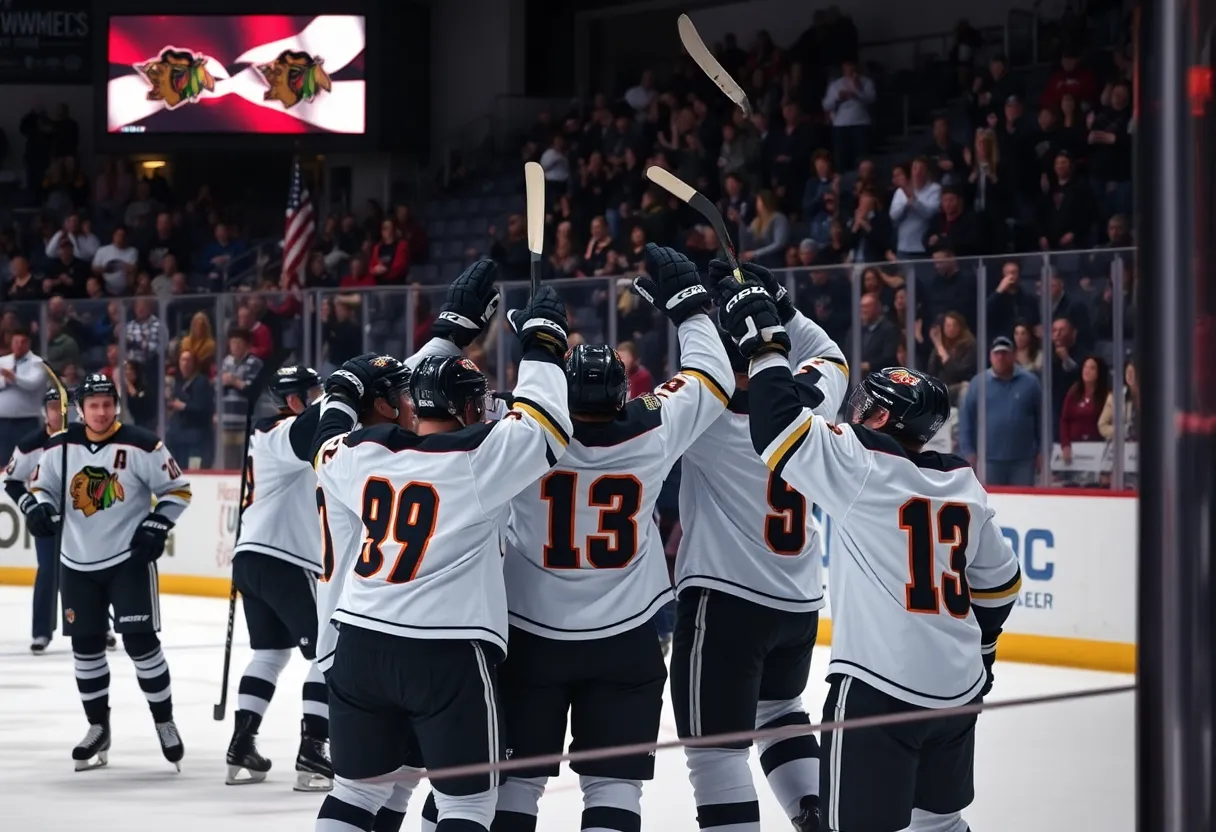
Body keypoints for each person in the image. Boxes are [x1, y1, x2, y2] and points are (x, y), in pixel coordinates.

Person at [715, 276, 1023, 832]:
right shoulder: (962, 483)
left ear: (883, 418)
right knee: (941, 821)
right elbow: (1000, 584)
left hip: (880, 688)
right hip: (957, 688)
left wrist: (765, 344)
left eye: (867, 405)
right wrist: (984, 651)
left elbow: (776, 427)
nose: (855, 411)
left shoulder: (861, 464)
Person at [311, 260, 573, 832]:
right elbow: (547, 426)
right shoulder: (478, 464)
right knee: (468, 805)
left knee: (354, 793)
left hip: (359, 641)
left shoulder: (360, 456)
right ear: (466, 408)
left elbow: (324, 433)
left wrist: (447, 333)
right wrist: (543, 344)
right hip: (445, 653)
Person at [493, 245, 733, 832]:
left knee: (518, 783)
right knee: (614, 788)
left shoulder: (516, 436)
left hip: (531, 635)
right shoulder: (654, 430)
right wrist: (692, 309)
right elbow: (713, 377)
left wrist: (536, 349)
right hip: (626, 639)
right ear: (625, 392)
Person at [671, 259, 849, 832]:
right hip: (798, 603)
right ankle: (815, 814)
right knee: (781, 713)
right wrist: (782, 308)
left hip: (724, 606)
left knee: (715, 753)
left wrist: (690, 311)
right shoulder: (813, 400)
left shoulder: (708, 412)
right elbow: (831, 357)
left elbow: (684, 385)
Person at [25, 374, 193, 771]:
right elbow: (40, 488)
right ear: (80, 409)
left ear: (116, 405)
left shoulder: (141, 443)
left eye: (107, 404)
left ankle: (164, 721)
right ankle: (97, 726)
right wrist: (38, 507)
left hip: (128, 562)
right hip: (76, 563)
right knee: (85, 648)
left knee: (140, 643)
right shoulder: (60, 446)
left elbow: (178, 490)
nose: (101, 412)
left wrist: (157, 524)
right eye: (93, 405)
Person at [224, 366, 334, 791]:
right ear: (293, 400)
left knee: (270, 654)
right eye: (314, 391)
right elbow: (310, 426)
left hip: (253, 558)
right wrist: (344, 392)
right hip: (283, 559)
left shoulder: (271, 433)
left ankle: (241, 745)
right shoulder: (280, 431)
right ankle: (313, 751)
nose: (321, 395)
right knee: (328, 652)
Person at [5, 387, 66, 652]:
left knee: (91, 570)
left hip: (84, 516)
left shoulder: (82, 438)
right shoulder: (30, 445)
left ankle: (101, 626)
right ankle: (41, 632)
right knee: (48, 570)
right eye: (53, 407)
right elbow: (12, 481)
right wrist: (30, 505)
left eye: (62, 406)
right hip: (46, 518)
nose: (59, 412)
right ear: (44, 412)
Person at [0, 326, 48, 466]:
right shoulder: (2, 361)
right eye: (16, 341)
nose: (19, 345)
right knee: (3, 460)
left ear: (29, 343)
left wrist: (14, 378)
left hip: (27, 421)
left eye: (23, 342)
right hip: (2, 421)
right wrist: (6, 381)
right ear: (11, 342)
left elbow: (32, 384)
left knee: (27, 461)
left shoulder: (38, 363)